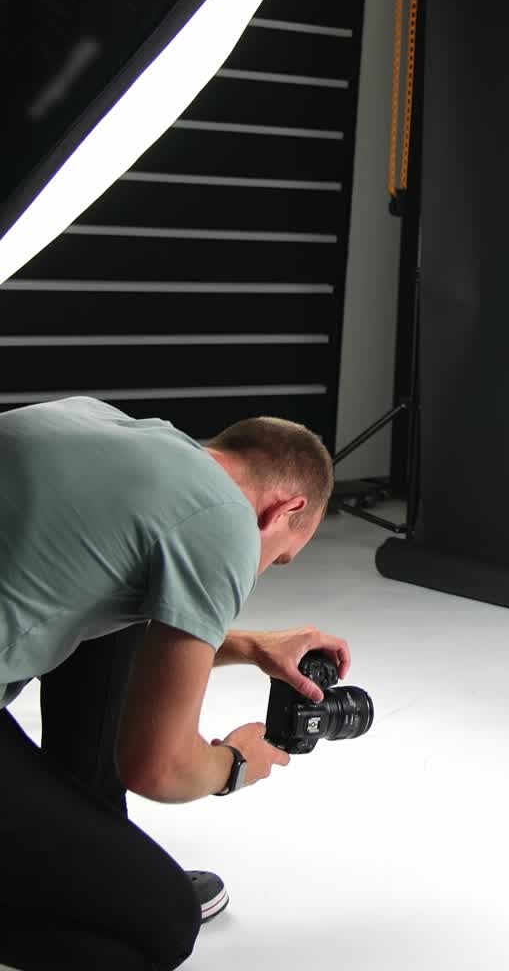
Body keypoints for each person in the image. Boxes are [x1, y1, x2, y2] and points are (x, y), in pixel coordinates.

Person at [0, 395, 349, 971]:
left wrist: (246, 645)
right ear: (285, 510)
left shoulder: (100, 422)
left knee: (121, 622)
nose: (263, 569)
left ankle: (94, 854)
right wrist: (235, 763)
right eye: (280, 558)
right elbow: (156, 768)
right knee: (160, 923)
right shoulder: (227, 524)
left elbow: (89, 597)